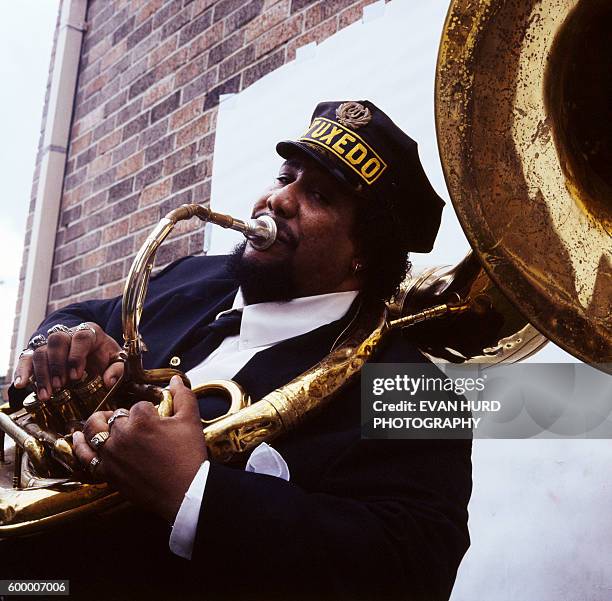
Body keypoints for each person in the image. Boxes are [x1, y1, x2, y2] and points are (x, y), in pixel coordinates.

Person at [7, 101, 472, 601]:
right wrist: (61, 344)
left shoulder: (415, 391)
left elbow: (410, 570)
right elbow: (82, 314)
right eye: (285, 176)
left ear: (366, 251)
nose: (278, 200)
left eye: (318, 194)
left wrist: (195, 494)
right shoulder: (195, 275)